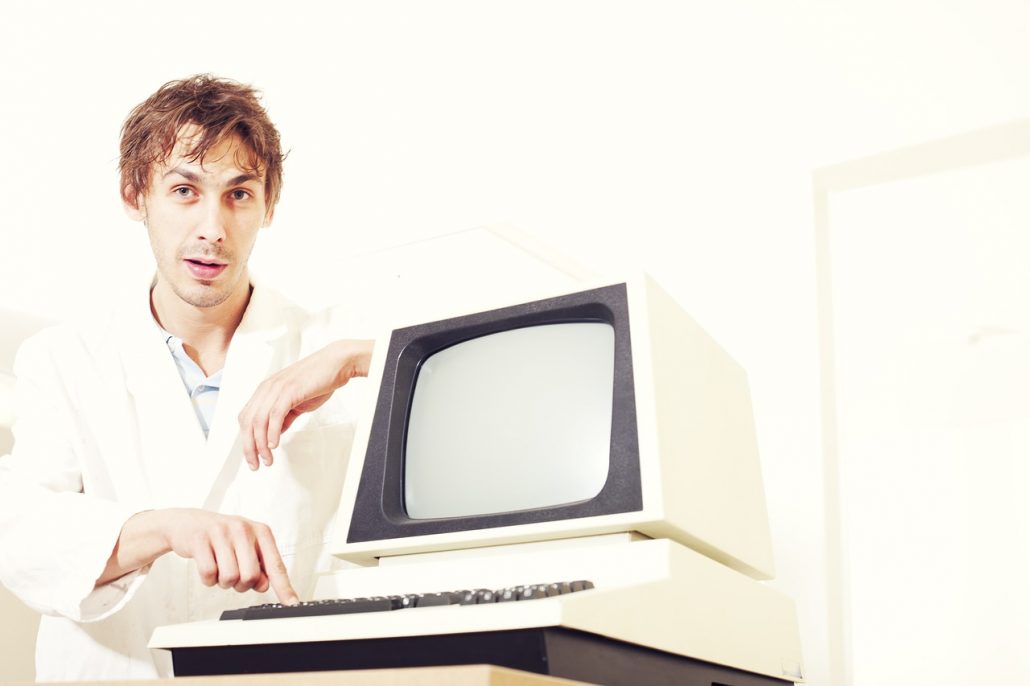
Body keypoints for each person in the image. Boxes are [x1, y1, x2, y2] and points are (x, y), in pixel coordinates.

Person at [0, 75, 373, 680]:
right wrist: (165, 527)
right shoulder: (63, 359)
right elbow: (18, 531)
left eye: (239, 195)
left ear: (268, 207)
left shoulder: (332, 343)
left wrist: (356, 358)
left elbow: (477, 408)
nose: (213, 228)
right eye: (183, 190)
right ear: (134, 195)